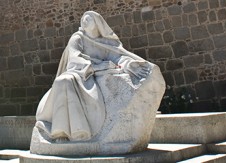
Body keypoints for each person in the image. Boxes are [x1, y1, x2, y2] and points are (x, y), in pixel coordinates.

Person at [35, 11, 152, 142]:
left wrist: (129, 64)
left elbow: (117, 57)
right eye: (83, 19)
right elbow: (73, 59)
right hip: (78, 73)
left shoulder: (106, 42)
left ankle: (79, 131)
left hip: (90, 79)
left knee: (67, 82)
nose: (84, 21)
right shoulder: (77, 38)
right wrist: (96, 67)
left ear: (97, 23)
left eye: (88, 19)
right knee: (63, 80)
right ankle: (60, 132)